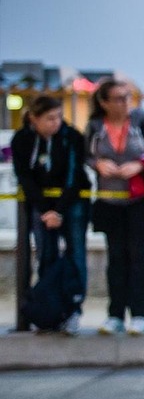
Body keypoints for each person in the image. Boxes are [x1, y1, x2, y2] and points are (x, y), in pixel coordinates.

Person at [86, 79, 144, 336]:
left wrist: (140, 165)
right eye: (119, 98)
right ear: (104, 102)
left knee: (138, 253)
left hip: (140, 200)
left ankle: (140, 314)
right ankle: (115, 314)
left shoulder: (142, 121)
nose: (125, 103)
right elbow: (86, 154)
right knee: (116, 256)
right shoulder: (95, 126)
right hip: (109, 198)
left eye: (127, 97)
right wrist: (98, 164)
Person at [10, 95, 91, 334]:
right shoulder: (23, 139)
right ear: (34, 118)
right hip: (41, 206)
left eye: (58, 117)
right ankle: (48, 308)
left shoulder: (71, 137)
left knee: (76, 252)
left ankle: (73, 308)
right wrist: (45, 210)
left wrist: (59, 210)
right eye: (49, 118)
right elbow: (24, 176)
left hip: (71, 203)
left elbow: (74, 175)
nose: (55, 123)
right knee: (46, 253)